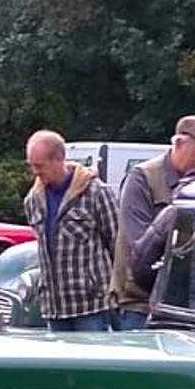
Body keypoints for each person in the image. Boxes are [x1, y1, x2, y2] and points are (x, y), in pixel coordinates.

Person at [110, 114, 195, 329]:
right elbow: (139, 250)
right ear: (179, 144)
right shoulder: (142, 179)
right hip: (140, 303)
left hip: (185, 305)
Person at [23, 130, 120, 332]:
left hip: (91, 305)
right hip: (54, 307)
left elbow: (118, 244)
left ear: (59, 159)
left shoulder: (96, 193)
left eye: (39, 165)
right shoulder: (33, 200)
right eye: (31, 165)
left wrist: (118, 295)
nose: (35, 172)